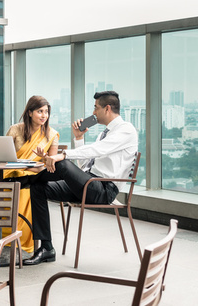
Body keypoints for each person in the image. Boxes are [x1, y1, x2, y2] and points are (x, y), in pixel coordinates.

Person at [23, 91, 138, 266]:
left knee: (62, 164)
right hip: (89, 183)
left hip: (103, 190)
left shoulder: (126, 130)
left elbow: (98, 150)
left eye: (96, 108)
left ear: (107, 108)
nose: (93, 113)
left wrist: (63, 155)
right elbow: (86, 166)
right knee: (38, 188)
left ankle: (22, 180)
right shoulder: (104, 134)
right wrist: (79, 138)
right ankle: (47, 248)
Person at [0, 95, 59, 254]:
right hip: (11, 175)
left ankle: (20, 235)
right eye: (40, 111)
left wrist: (45, 158)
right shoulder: (15, 130)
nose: (44, 115)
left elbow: (51, 166)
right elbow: (3, 156)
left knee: (29, 191)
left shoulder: (52, 134)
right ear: (30, 112)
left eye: (46, 112)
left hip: (34, 179)